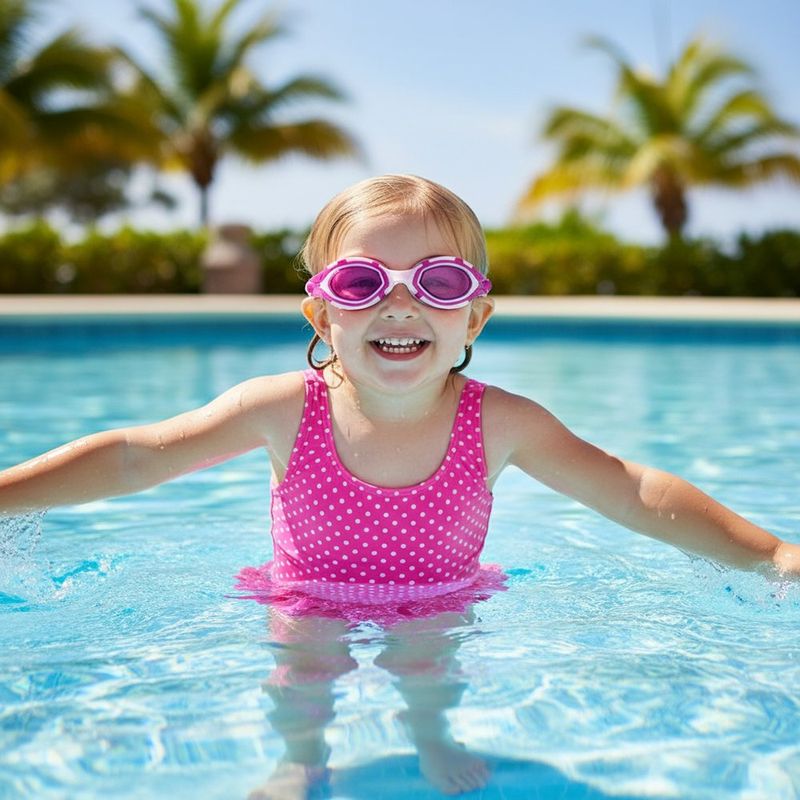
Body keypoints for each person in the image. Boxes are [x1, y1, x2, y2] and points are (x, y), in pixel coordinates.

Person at [1, 174, 798, 798]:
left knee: (429, 676)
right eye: (360, 283)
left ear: (474, 319)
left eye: (440, 282)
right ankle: (301, 761)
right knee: (306, 679)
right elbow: (139, 455)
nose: (400, 302)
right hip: (308, 598)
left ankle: (429, 739)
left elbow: (630, 490)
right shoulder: (283, 409)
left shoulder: (501, 423)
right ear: (321, 318)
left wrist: (769, 553)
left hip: (440, 598)